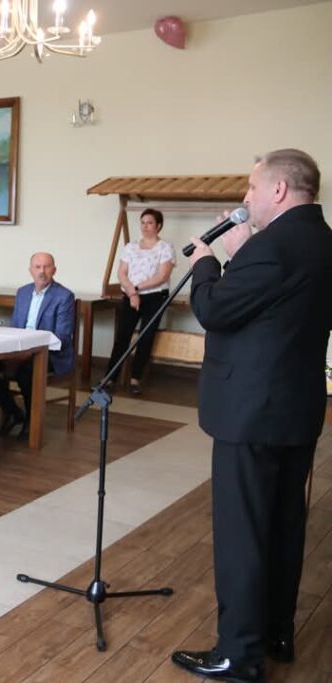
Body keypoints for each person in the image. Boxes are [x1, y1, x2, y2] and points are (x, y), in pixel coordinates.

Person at [171, 150, 332, 683]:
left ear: (279, 190)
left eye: (251, 187)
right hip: (297, 407)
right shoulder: (322, 240)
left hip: (251, 411)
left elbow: (216, 309)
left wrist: (208, 263)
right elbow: (277, 308)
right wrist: (245, 255)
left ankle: (238, 653)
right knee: (283, 524)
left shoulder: (272, 247)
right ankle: (276, 631)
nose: (246, 198)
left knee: (243, 531)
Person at [0, 252, 75, 439]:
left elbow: (63, 336)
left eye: (46, 267)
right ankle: (13, 412)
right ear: (30, 270)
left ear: (54, 270)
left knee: (26, 372)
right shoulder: (23, 292)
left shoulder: (64, 296)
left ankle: (31, 421)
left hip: (49, 353)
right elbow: (15, 327)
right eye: (37, 267)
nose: (42, 271)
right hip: (20, 349)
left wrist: (32, 350)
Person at [104, 208, 175, 394]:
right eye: (143, 222)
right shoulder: (130, 247)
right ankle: (110, 378)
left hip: (155, 297)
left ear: (158, 225)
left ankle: (135, 379)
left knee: (146, 337)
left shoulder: (165, 248)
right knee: (122, 337)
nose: (145, 226)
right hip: (130, 295)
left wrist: (136, 289)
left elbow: (162, 276)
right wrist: (132, 292)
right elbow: (122, 273)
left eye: (150, 223)